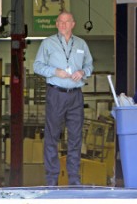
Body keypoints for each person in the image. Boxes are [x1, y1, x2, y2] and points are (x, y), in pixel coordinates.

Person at [33, 11, 94, 186]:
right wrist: (55, 71)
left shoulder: (81, 44)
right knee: (52, 136)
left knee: (75, 136)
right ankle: (52, 178)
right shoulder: (48, 43)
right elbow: (37, 66)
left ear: (73, 24)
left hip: (75, 95)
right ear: (56, 24)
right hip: (56, 94)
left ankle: (74, 178)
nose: (63, 25)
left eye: (66, 22)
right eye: (60, 22)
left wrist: (83, 72)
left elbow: (89, 64)